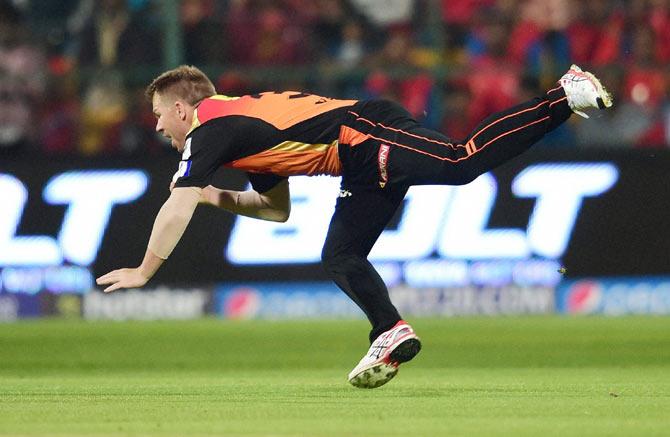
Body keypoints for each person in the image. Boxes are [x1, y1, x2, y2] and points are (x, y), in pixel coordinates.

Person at [96, 64, 612, 388]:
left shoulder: (211, 130)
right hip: (358, 161)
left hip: (366, 133)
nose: (159, 125)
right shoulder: (236, 132)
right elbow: (276, 210)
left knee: (458, 163)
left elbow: (174, 206)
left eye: (161, 115)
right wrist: (216, 195)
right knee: (341, 255)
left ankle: (561, 96)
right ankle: (389, 330)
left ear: (183, 108)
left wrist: (145, 270)